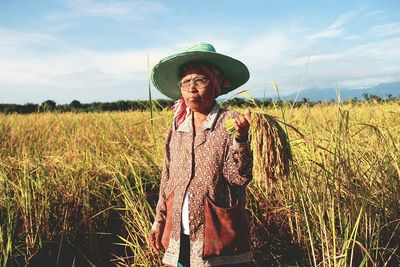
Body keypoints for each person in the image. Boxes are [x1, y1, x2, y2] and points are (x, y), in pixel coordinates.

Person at [148, 42, 253, 267]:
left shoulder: (230, 122)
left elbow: (239, 177)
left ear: (217, 84)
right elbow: (166, 178)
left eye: (200, 80)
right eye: (186, 82)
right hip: (178, 233)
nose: (191, 88)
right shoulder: (178, 126)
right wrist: (158, 222)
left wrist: (241, 140)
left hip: (217, 239)